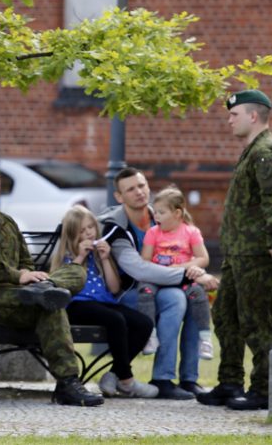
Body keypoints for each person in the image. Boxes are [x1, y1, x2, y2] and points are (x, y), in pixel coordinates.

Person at [0, 158, 102, 406]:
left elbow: (26, 261)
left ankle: (67, 383)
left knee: (69, 280)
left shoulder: (7, 223)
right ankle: (44, 292)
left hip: (18, 294)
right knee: (48, 301)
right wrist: (20, 276)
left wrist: (30, 276)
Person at [197, 89, 272, 411]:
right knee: (225, 316)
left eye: (234, 115)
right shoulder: (252, 151)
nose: (229, 120)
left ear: (253, 116)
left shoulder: (267, 152)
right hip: (237, 252)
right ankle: (230, 382)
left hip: (255, 254)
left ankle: (264, 389)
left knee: (256, 321)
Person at [98, 167, 219, 400]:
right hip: (131, 292)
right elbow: (139, 268)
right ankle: (162, 378)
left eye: (142, 185)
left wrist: (194, 272)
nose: (139, 192)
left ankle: (189, 379)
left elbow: (191, 250)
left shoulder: (164, 214)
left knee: (194, 296)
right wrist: (189, 275)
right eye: (130, 189)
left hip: (166, 286)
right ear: (119, 197)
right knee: (175, 299)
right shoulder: (115, 227)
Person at [51, 206, 157, 398]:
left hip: (103, 303)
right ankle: (126, 380)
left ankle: (114, 374)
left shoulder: (98, 255)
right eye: (82, 231)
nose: (89, 233)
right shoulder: (67, 256)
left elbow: (114, 288)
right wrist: (80, 257)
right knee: (115, 319)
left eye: (91, 227)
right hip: (76, 304)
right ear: (72, 235)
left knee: (144, 323)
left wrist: (106, 259)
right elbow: (65, 283)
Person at [136, 187, 213, 360]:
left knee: (198, 294)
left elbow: (203, 258)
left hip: (182, 278)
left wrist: (185, 267)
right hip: (157, 278)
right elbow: (145, 260)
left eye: (161, 213)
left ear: (177, 213)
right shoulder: (152, 233)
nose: (156, 217)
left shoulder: (191, 232)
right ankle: (150, 336)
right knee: (144, 291)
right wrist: (161, 271)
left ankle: (205, 338)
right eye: (155, 212)